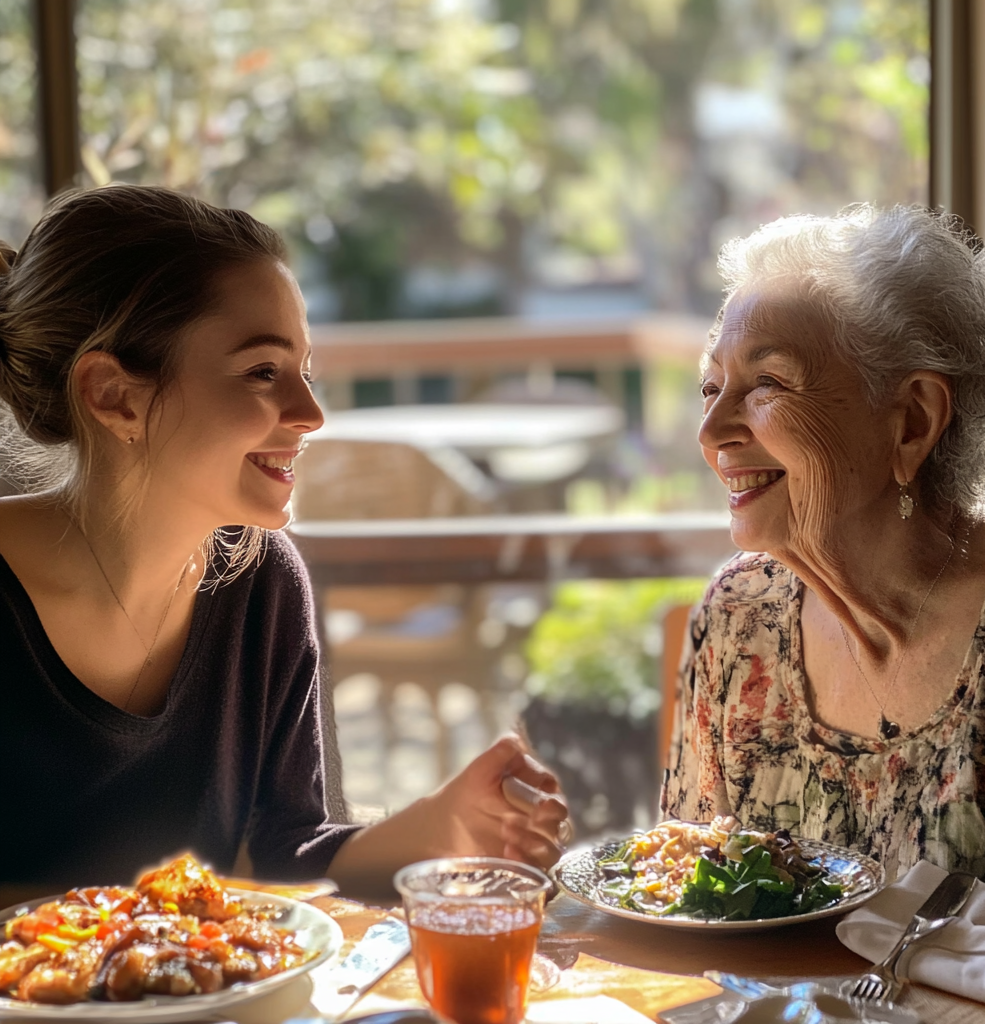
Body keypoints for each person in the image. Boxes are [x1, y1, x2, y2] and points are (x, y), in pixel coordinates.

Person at [0, 184, 567, 896]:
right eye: (262, 372)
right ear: (116, 396)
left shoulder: (260, 583)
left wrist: (439, 825)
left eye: (305, 371)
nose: (311, 414)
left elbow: (277, 850)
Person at [662, 203, 985, 888]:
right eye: (712, 387)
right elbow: (687, 898)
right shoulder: (742, 619)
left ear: (913, 420)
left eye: (767, 382)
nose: (710, 432)